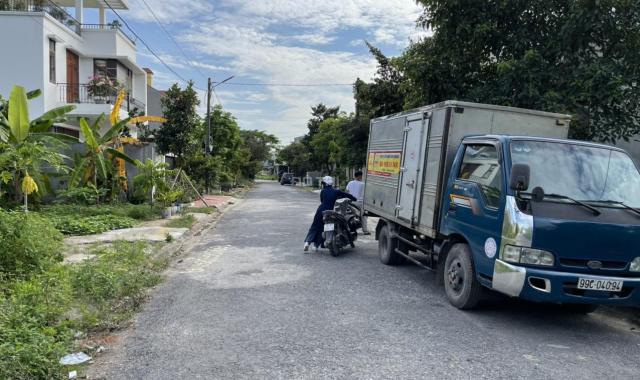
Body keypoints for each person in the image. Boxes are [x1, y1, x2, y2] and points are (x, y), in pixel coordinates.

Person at [304, 176, 356, 252]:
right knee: (326, 227)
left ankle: (308, 243)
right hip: (332, 211)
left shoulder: (323, 191)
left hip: (321, 211)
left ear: (325, 184)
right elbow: (347, 195)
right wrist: (354, 199)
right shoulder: (336, 191)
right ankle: (317, 245)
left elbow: (322, 201)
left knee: (315, 226)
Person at [346, 170, 370, 235]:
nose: (362, 177)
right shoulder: (363, 184)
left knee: (347, 214)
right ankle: (365, 230)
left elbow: (347, 192)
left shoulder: (350, 183)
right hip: (359, 203)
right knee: (364, 215)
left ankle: (347, 228)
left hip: (350, 202)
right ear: (359, 176)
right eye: (362, 176)